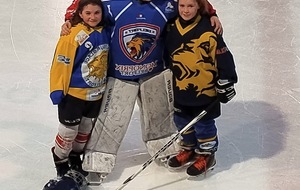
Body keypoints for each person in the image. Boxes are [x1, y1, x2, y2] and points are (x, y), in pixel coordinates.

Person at [60, 0, 223, 180]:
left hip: (154, 73)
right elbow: (87, 6)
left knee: (159, 115)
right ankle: (98, 161)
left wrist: (211, 13)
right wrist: (70, 18)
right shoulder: (113, 7)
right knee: (111, 120)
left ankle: (165, 149)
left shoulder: (166, 6)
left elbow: (193, 3)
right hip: (119, 75)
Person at [165, 0, 237, 176]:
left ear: (199, 6)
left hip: (205, 89)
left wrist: (227, 79)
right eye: (182, 6)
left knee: (204, 124)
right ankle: (188, 148)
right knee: (182, 120)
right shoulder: (171, 26)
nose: (186, 10)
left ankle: (206, 153)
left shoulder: (209, 28)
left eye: (190, 6)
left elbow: (223, 56)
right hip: (181, 88)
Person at [49, 0, 109, 178]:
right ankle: (60, 159)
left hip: (95, 95)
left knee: (84, 131)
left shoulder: (106, 32)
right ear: (80, 14)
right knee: (68, 132)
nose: (92, 17)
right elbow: (61, 62)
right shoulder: (73, 34)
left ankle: (75, 156)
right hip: (74, 95)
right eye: (88, 13)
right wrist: (57, 89)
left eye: (96, 13)